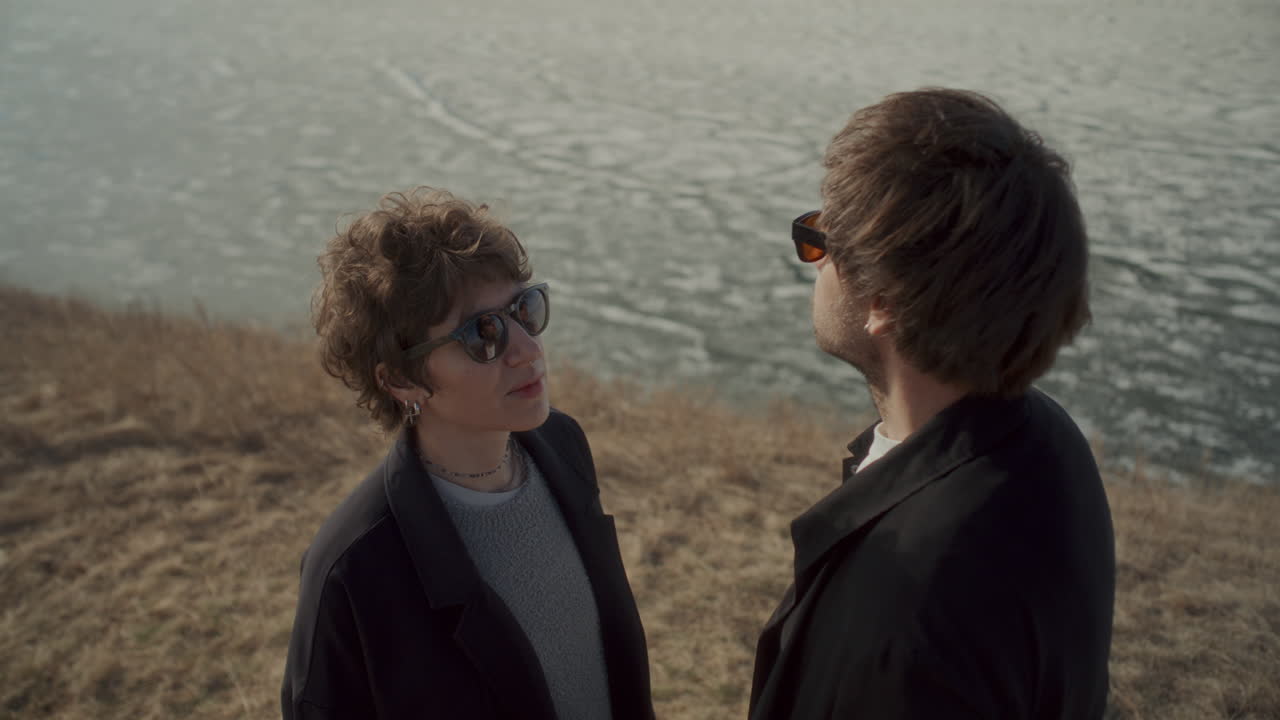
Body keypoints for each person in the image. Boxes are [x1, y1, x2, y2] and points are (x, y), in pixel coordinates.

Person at [749, 89, 1116, 719]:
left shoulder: (907, 605)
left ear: (883, 303)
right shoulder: (1045, 437)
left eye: (820, 241)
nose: (814, 262)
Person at [281, 188, 653, 720]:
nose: (528, 349)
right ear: (403, 379)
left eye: (524, 309)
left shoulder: (563, 445)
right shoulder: (354, 567)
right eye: (484, 334)